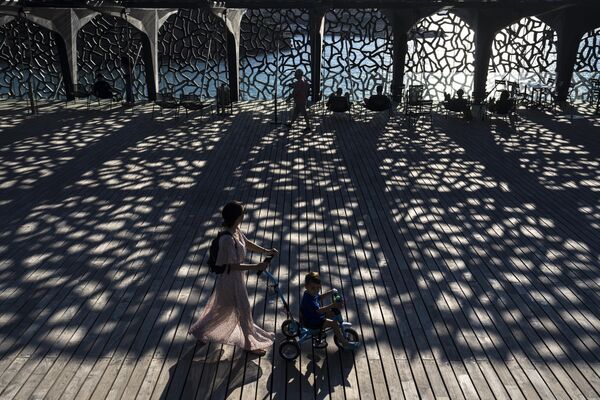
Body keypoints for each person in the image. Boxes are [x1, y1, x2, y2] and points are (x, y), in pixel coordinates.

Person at [189, 201, 278, 356]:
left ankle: (200, 331)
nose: (244, 215)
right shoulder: (227, 240)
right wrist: (256, 266)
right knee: (243, 309)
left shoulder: (235, 231)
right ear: (237, 217)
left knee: (222, 308)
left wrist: (266, 251)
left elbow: (246, 243)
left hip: (236, 278)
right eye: (242, 213)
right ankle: (250, 344)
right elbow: (231, 266)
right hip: (230, 280)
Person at [300, 272, 359, 350]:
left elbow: (319, 297)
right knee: (334, 324)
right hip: (313, 322)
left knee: (333, 311)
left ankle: (328, 331)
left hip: (313, 316)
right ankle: (345, 343)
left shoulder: (309, 293)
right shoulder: (309, 301)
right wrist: (333, 305)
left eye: (318, 288)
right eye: (313, 288)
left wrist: (330, 292)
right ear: (306, 286)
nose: (316, 291)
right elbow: (320, 311)